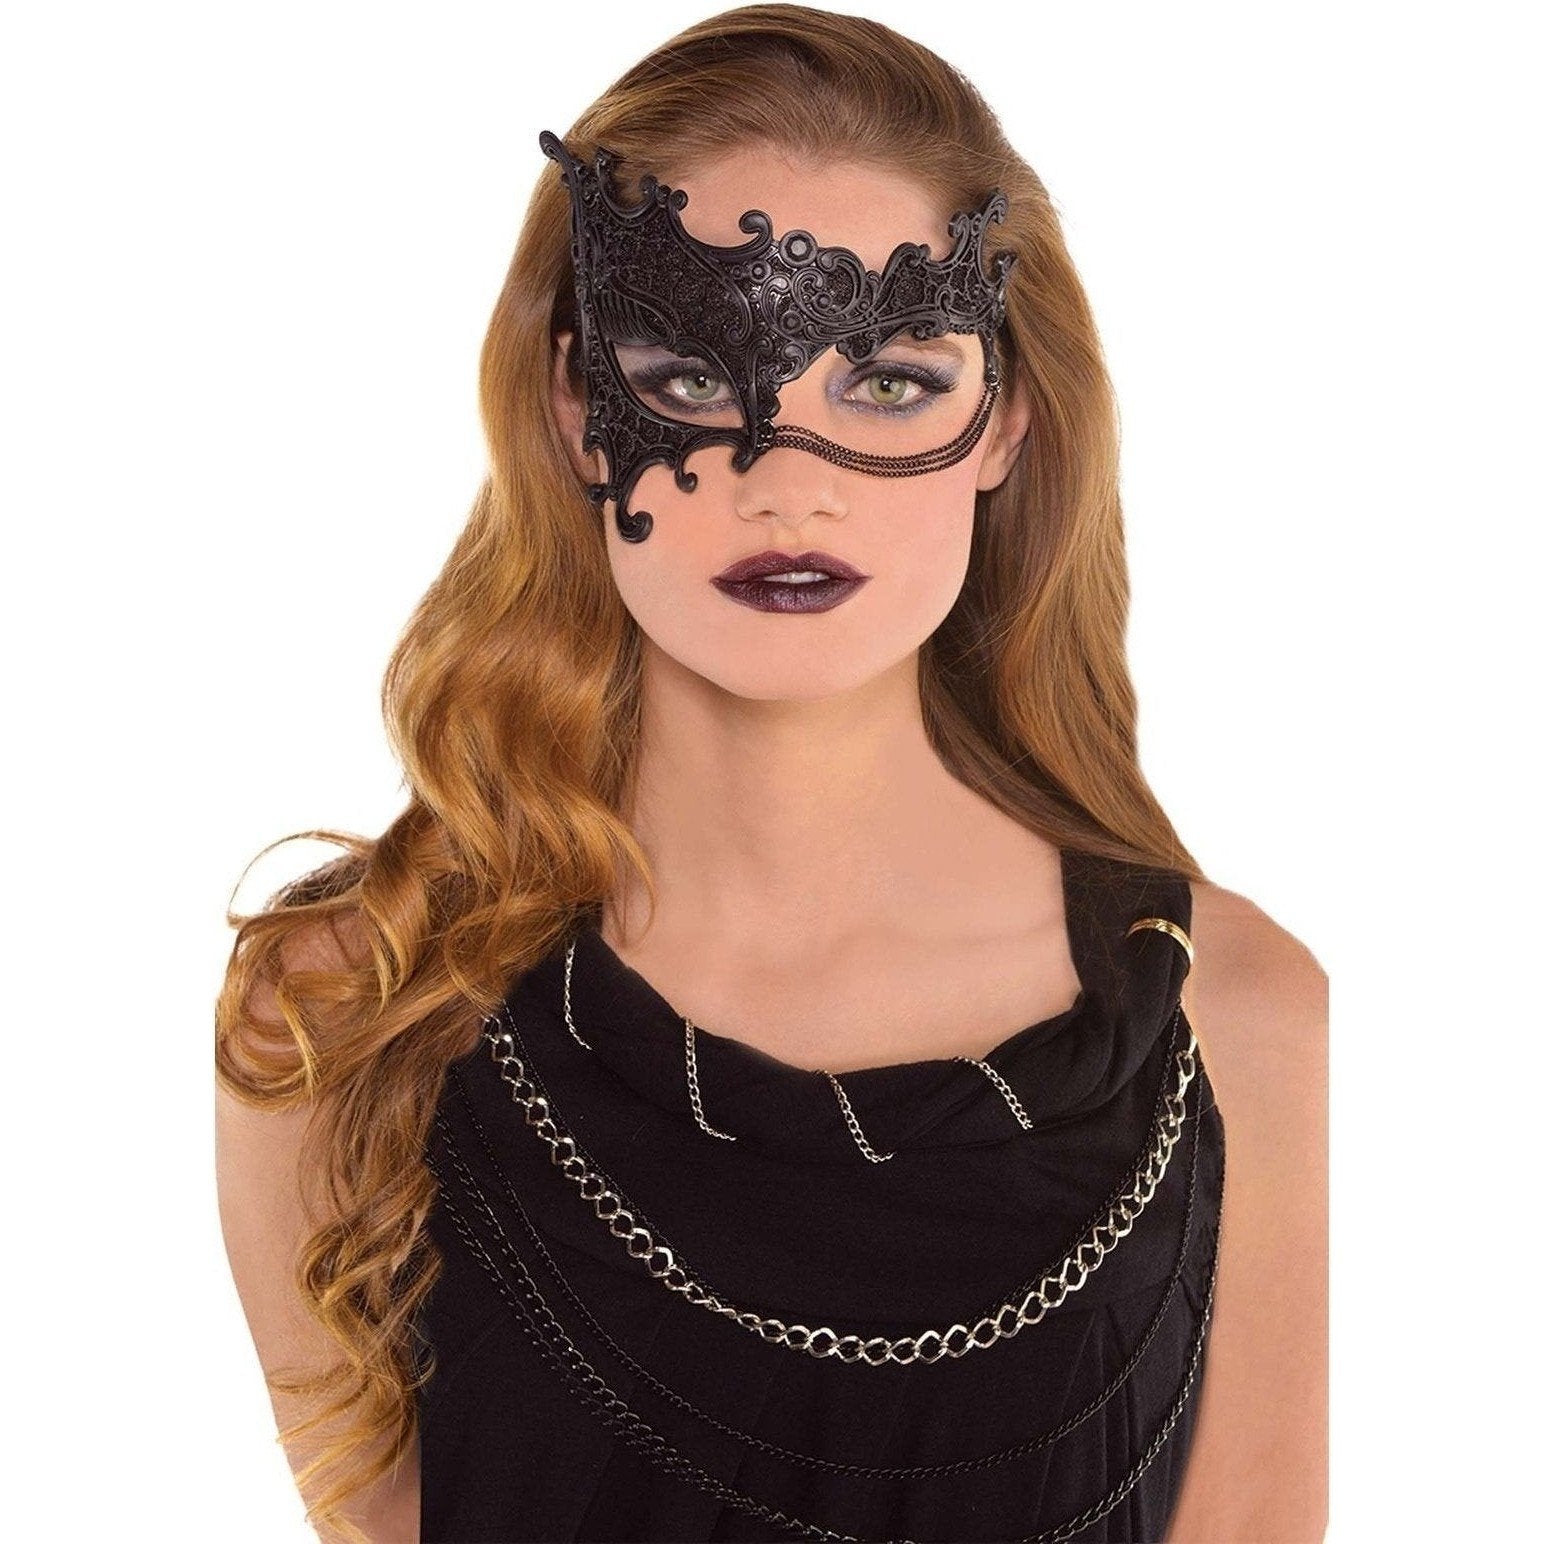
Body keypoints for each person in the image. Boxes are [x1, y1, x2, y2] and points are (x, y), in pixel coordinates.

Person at [215, 6, 1328, 1541]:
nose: (787, 482)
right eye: (689, 373)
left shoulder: (1246, 1021)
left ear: (1004, 419)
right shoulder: (355, 1003)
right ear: (574, 410)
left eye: (890, 382)